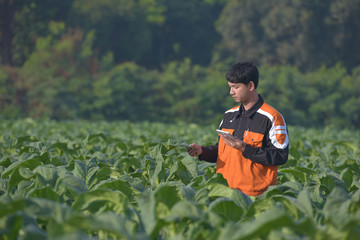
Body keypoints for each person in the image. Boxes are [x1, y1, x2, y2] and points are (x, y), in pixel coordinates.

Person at [187, 62, 289, 197]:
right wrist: (202, 151)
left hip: (255, 196)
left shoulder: (272, 117)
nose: (231, 92)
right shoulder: (228, 115)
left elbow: (280, 156)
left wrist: (245, 149)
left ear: (251, 86)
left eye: (236, 87)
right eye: (230, 87)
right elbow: (222, 151)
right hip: (224, 194)